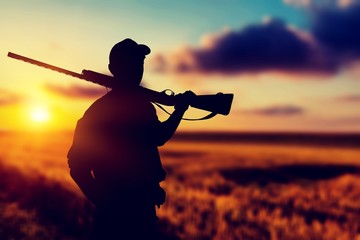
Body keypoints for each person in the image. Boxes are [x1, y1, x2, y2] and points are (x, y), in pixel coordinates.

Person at [67, 38, 193, 239]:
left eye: (140, 63)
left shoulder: (141, 105)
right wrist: (105, 201)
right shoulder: (99, 112)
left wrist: (179, 110)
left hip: (143, 212)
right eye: (131, 63)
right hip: (115, 219)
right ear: (113, 68)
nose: (137, 69)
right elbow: (77, 167)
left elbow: (157, 137)